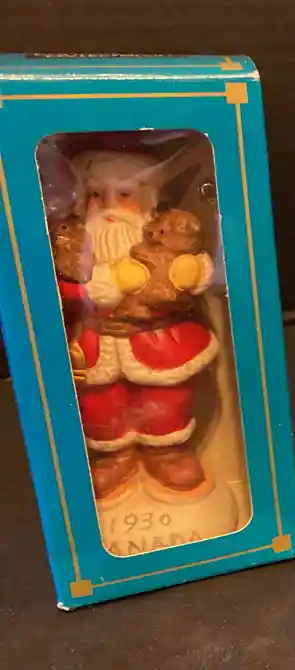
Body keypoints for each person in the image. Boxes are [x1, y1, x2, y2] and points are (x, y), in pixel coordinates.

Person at [54, 150, 217, 500]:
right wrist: (93, 288)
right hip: (95, 340)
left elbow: (196, 270)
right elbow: (58, 288)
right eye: (96, 194)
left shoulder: (168, 237)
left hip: (158, 339)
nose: (108, 206)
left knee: (166, 397)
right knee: (100, 403)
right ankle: (115, 456)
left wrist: (191, 274)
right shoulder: (73, 246)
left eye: (124, 193)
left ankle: (165, 452)